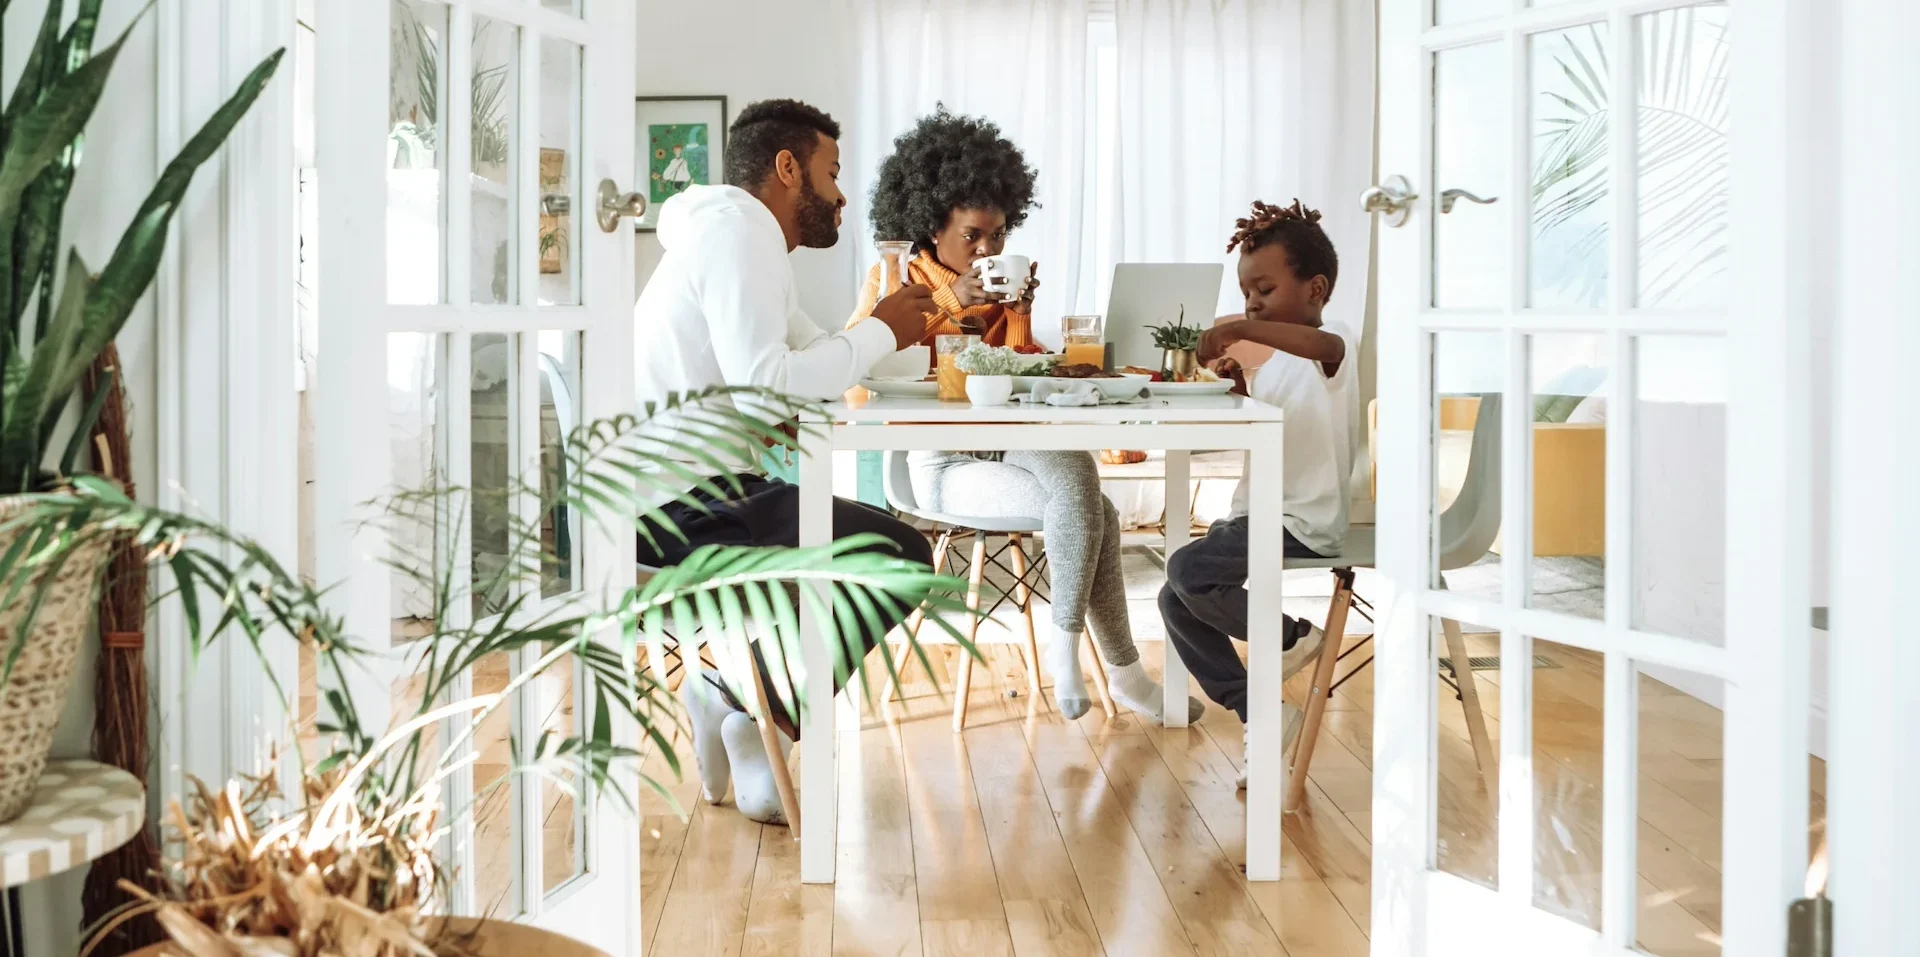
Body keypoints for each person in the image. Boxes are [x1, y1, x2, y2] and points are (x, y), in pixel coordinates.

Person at [633, 99, 939, 824]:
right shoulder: (739, 234)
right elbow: (771, 382)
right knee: (898, 555)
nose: (840, 196)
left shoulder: (735, 235)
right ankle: (749, 711)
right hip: (675, 511)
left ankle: (733, 700)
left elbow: (810, 358)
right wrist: (879, 329)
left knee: (876, 544)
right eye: (832, 173)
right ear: (788, 168)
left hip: (689, 492)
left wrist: (892, 339)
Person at [849, 108, 1200, 725]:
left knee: (1079, 475)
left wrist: (1017, 316)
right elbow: (859, 374)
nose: (988, 250)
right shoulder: (895, 278)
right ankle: (1116, 669)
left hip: (1010, 440)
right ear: (931, 224)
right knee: (1094, 509)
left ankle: (1070, 651)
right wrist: (948, 300)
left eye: (998, 236)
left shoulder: (998, 286)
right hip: (941, 460)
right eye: (972, 236)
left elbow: (1015, 378)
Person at [1157, 198, 1360, 787]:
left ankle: (1294, 637)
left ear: (1316, 290)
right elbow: (1268, 427)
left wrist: (1242, 330)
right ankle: (1260, 712)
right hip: (1258, 514)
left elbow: (1322, 351)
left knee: (1187, 571)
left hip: (1302, 521)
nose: (1251, 303)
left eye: (1264, 290)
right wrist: (1239, 386)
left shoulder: (1335, 344)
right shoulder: (1275, 367)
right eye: (1247, 293)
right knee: (1174, 598)